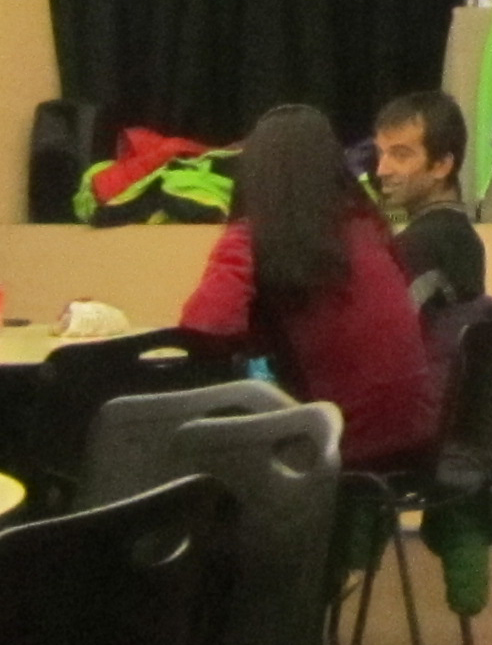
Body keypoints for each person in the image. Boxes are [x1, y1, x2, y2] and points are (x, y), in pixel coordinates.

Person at [178, 105, 441, 472]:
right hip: (419, 441)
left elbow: (204, 328)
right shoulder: (367, 227)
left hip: (339, 448)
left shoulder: (252, 237)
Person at [375, 90, 487, 309]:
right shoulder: (466, 239)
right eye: (381, 153)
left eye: (400, 155)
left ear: (442, 165)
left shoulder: (416, 247)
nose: (382, 170)